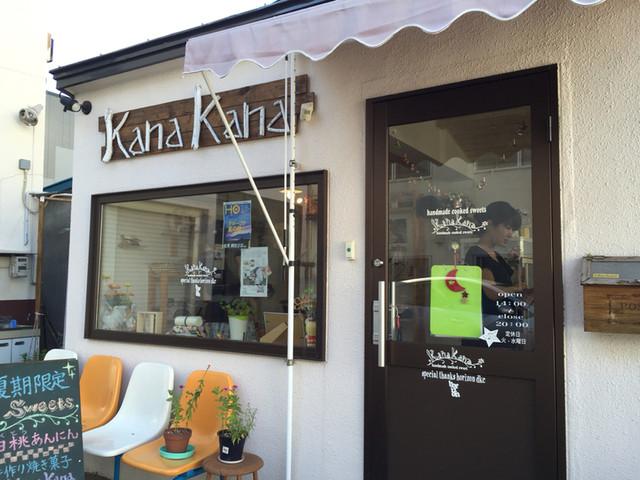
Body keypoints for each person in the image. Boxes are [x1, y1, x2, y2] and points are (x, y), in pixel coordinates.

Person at [464, 201, 526, 320]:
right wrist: (516, 288)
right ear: (490, 224)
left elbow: (512, 278)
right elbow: (492, 293)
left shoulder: (496, 255)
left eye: (512, 230)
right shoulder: (477, 253)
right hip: (490, 323)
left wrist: (518, 262)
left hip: (505, 320)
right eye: (508, 228)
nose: (510, 234)